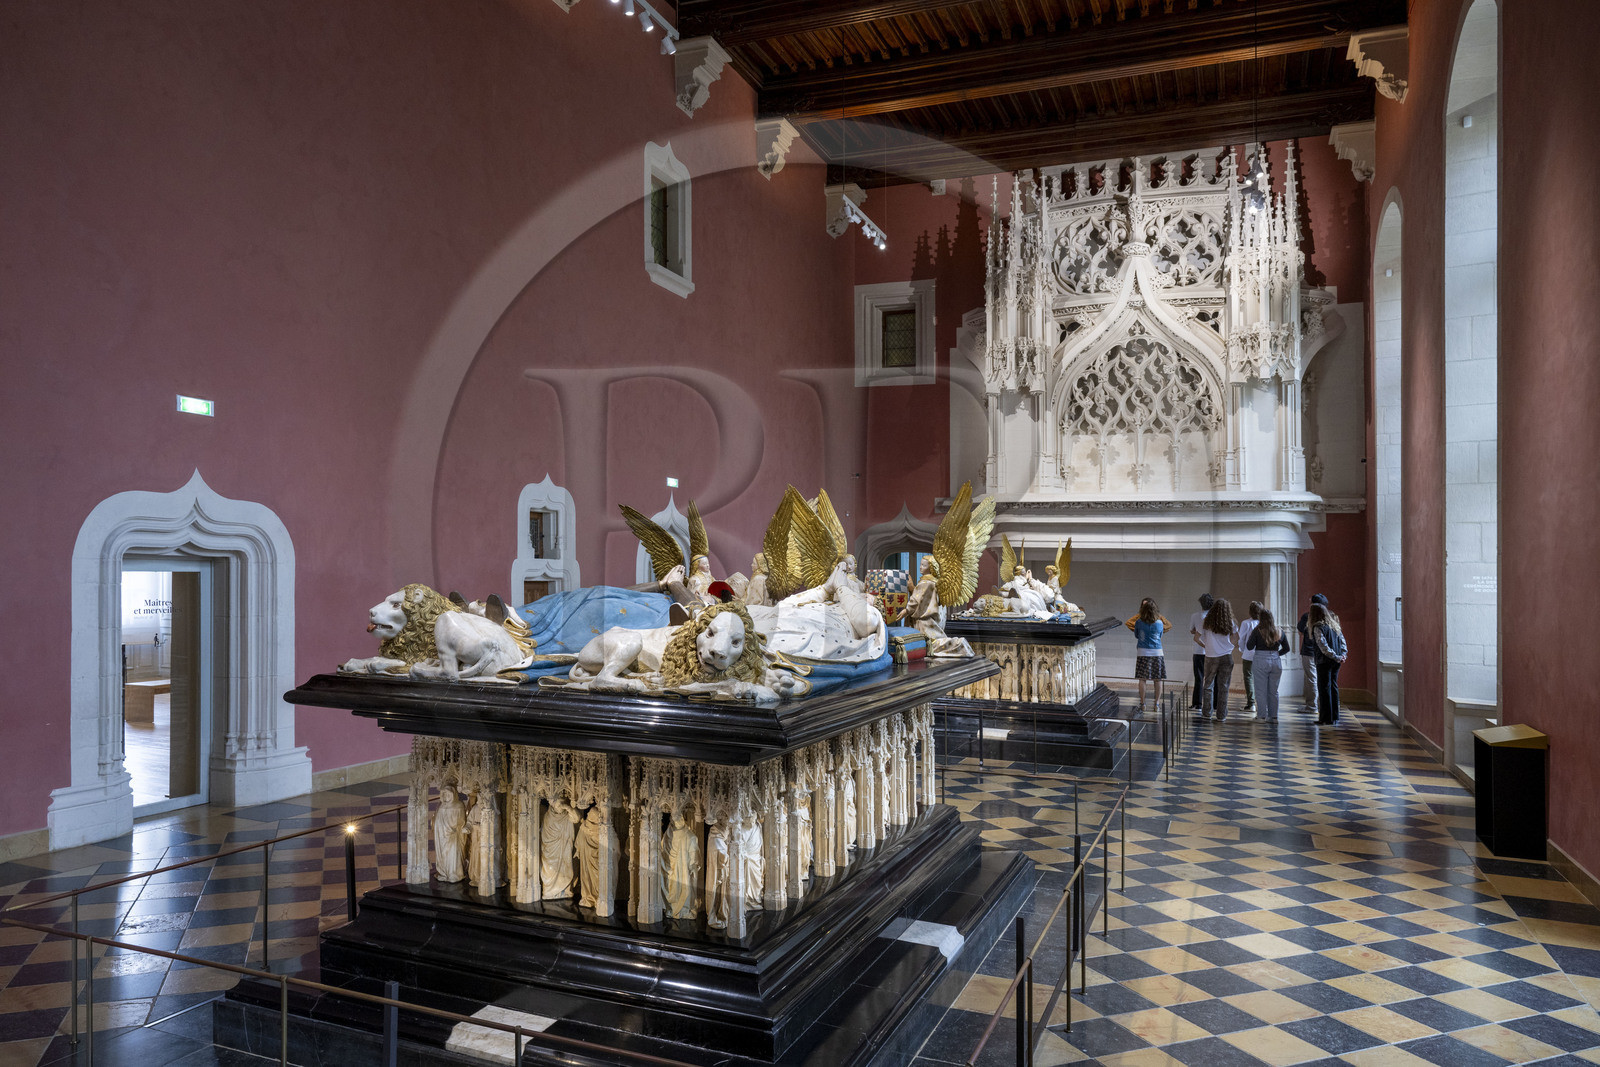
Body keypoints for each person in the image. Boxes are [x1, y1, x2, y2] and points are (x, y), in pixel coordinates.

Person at [1124, 598, 1173, 713]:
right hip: (1157, 651)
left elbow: (1136, 635)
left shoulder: (1139, 622)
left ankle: (1142, 703)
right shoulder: (1160, 623)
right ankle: (1156, 704)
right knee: (1158, 679)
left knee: (1142, 679)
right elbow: (1160, 635)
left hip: (1142, 651)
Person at [1245, 609, 1290, 723]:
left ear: (1261, 619)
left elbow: (1249, 646)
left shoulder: (1257, 630)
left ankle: (1261, 716)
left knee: (1260, 690)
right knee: (1274, 691)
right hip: (1276, 660)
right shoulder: (1279, 631)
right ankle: (1274, 717)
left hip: (1261, 659)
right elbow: (1287, 648)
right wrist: (1276, 654)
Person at [1198, 597, 1237, 721]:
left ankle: (1207, 713)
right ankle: (1221, 715)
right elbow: (1236, 638)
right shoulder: (1230, 622)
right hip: (1226, 656)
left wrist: (1207, 645)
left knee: (1208, 685)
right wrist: (1230, 647)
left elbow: (1198, 637)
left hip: (1210, 656)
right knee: (1224, 687)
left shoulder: (1206, 621)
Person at [1309, 601, 1347, 724]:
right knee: (1334, 687)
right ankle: (1335, 716)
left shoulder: (1317, 627)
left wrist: (1335, 656)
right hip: (1336, 661)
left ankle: (1325, 718)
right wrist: (1342, 655)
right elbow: (1343, 642)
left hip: (1324, 661)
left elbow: (1323, 646)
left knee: (1324, 689)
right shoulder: (1334, 626)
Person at [1297, 594, 1329, 715]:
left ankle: (1312, 705)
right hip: (1323, 652)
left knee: (1311, 679)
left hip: (1309, 651)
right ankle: (1322, 705)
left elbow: (1300, 630)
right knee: (1321, 678)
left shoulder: (1307, 616)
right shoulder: (1328, 617)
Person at [1188, 594, 1214, 710]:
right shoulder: (1214, 616)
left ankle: (1197, 704)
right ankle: (1212, 703)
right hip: (1212, 651)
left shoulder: (1195, 615)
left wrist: (1198, 632)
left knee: (1198, 678)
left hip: (1199, 650)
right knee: (1211, 679)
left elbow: (1192, 631)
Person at [1237, 602, 1262, 714]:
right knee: (1260, 678)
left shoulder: (1246, 623)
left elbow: (1241, 639)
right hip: (1261, 654)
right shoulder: (1263, 623)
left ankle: (1251, 703)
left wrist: (1243, 650)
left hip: (1249, 654)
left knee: (1248, 677)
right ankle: (1261, 703)